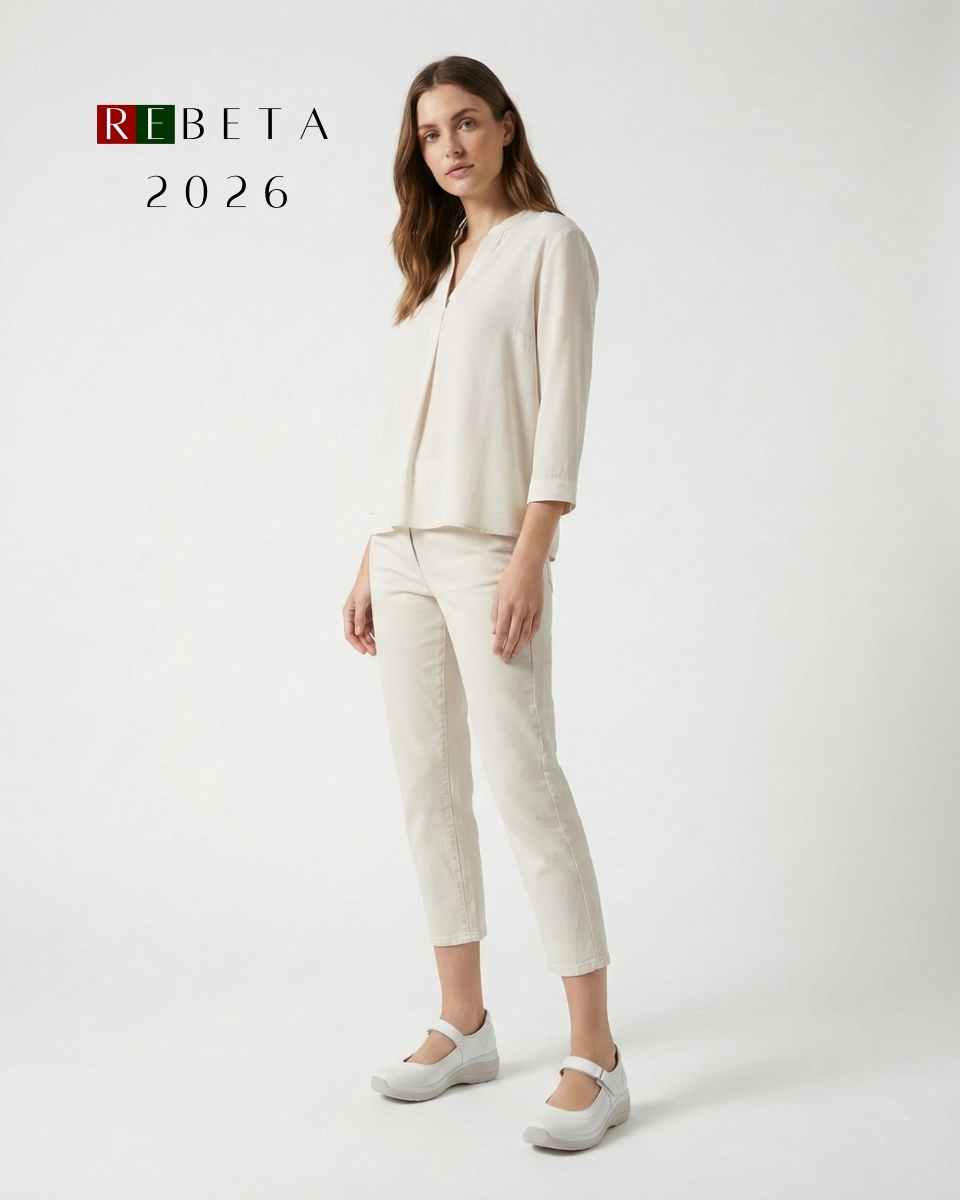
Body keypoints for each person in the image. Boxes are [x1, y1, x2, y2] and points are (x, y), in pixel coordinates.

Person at [342, 55, 629, 1152]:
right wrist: (372, 553)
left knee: (525, 781)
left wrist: (531, 551)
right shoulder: (432, 268)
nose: (450, 146)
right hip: (403, 551)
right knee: (429, 785)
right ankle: (463, 1022)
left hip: (491, 549)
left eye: (467, 123)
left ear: (507, 127)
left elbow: (562, 406)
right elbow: (402, 429)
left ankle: (597, 1055)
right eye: (430, 134)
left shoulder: (552, 246)